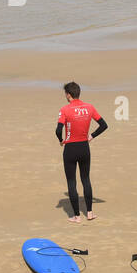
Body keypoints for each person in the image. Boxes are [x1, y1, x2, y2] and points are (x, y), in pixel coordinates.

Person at [55, 82, 108, 222]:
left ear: (68, 94)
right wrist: (91, 136)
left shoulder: (65, 109)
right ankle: (89, 213)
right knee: (86, 180)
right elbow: (104, 125)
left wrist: (61, 140)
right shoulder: (89, 107)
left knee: (71, 182)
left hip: (70, 149)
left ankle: (77, 216)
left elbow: (58, 130)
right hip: (84, 148)